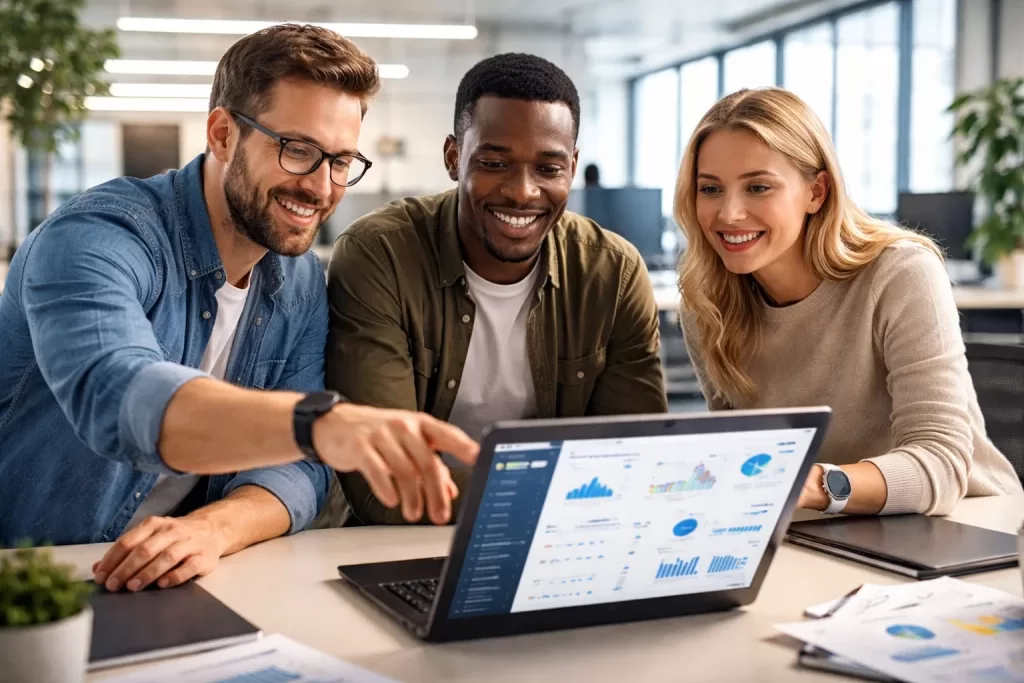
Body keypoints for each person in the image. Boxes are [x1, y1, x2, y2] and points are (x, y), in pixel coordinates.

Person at [0, 24, 477, 591]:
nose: (321, 187)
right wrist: (317, 424)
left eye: (341, 161)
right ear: (223, 135)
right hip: (35, 582)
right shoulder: (97, 237)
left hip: (180, 582)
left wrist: (214, 528)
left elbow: (298, 467)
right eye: (297, 150)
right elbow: (119, 394)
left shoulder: (299, 282)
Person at [323, 53, 667, 525]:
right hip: (400, 546)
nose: (523, 192)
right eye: (494, 162)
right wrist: (582, 492)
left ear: (572, 166)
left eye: (548, 169)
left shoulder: (613, 272)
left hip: (561, 543)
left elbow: (638, 460)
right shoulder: (380, 254)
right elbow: (383, 485)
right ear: (453, 158)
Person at [675, 87, 1021, 517]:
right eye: (710, 189)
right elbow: (739, 458)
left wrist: (811, 483)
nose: (728, 214)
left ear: (816, 192)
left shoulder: (900, 273)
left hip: (968, 529)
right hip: (826, 533)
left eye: (758, 187)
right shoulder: (707, 305)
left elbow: (941, 462)